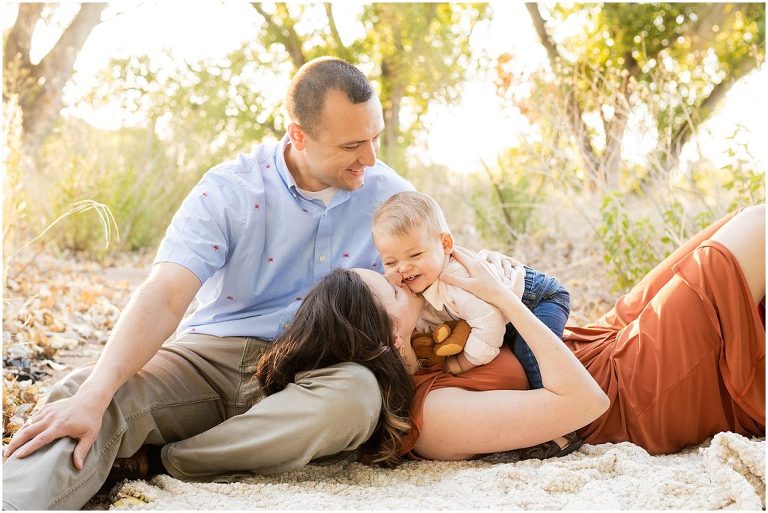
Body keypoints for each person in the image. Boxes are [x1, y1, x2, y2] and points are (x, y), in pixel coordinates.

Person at [3, 56, 421, 510]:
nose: (371, 158)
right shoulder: (230, 190)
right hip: (210, 359)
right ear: (298, 134)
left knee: (358, 398)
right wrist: (96, 393)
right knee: (84, 393)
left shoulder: (392, 197)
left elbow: (432, 276)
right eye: (352, 145)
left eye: (375, 138)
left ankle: (169, 459)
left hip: (317, 369)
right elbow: (165, 295)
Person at [265, 205, 764, 462]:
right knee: (756, 232)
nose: (403, 281)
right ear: (386, 342)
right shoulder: (432, 416)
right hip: (630, 390)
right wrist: (505, 301)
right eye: (392, 289)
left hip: (603, 339)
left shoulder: (422, 335)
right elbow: (584, 405)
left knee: (741, 222)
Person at [372, 191, 580, 457]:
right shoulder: (421, 281)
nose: (402, 268)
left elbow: (489, 327)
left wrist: (465, 362)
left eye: (414, 255)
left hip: (538, 298)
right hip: (507, 310)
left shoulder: (456, 281)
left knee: (532, 354)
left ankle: (563, 429)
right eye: (391, 262)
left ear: (446, 244)